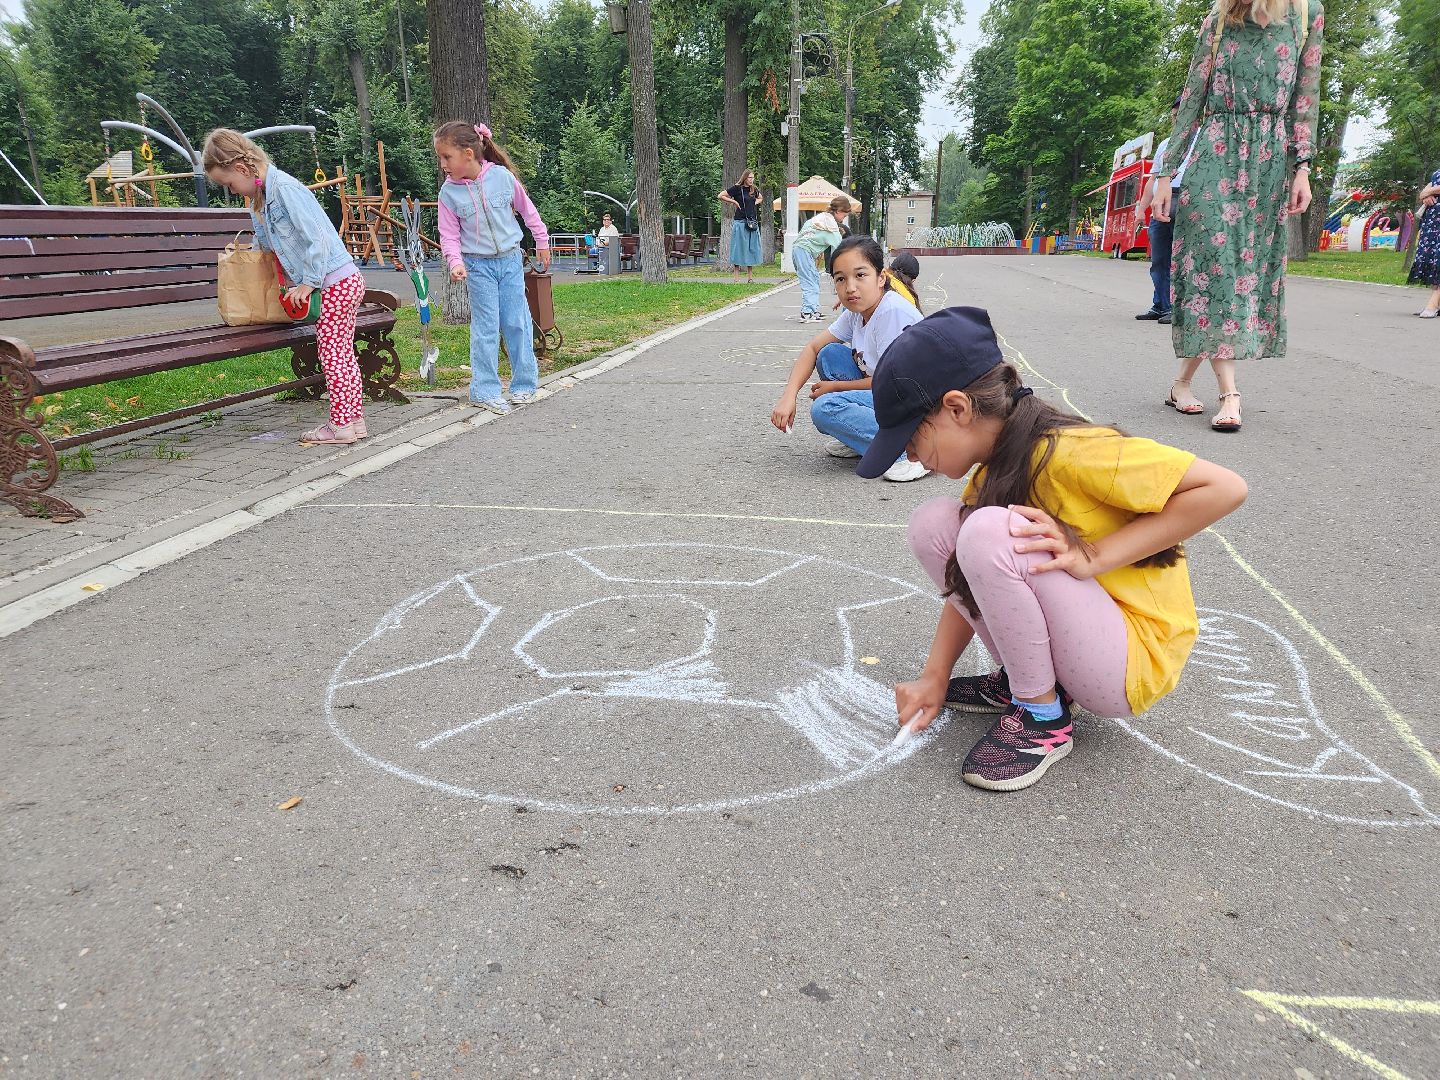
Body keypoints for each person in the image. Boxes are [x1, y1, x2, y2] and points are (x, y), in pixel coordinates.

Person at [855, 307, 1247, 791]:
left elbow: (1225, 488)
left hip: (1129, 660)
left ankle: (1042, 716)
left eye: (911, 438)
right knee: (934, 524)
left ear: (957, 409)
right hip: (1086, 638)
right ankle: (1030, 682)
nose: (910, 455)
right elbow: (969, 579)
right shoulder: (994, 470)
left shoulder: (1073, 449)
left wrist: (1094, 556)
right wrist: (935, 675)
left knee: (984, 532)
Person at [1153, 0, 1324, 433]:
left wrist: (1302, 168)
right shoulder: (1219, 18)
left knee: (1239, 276)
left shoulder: (1306, 15)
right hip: (1215, 154)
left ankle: (1181, 383)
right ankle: (1230, 393)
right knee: (1217, 270)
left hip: (1268, 163)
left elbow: (1306, 99)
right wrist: (1164, 174)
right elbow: (1192, 98)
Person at [202, 128, 367, 447]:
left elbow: (316, 238)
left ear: (242, 168)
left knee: (333, 355)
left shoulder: (286, 190)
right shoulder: (260, 200)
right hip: (341, 280)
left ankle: (340, 426)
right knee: (343, 354)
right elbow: (265, 245)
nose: (231, 190)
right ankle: (354, 421)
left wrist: (308, 282)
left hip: (332, 282)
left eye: (229, 184)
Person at [769, 236, 928, 482]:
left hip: (918, 407)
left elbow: (892, 382)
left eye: (860, 275)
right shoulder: (858, 311)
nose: (850, 287)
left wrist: (835, 387)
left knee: (825, 408)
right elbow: (813, 348)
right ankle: (858, 435)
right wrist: (788, 396)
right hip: (890, 395)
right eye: (840, 279)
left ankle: (910, 452)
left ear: (881, 277)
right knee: (829, 354)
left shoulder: (892, 312)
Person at [434, 121, 551, 415]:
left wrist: (542, 240)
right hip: (477, 265)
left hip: (510, 261)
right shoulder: (448, 194)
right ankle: (484, 390)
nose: (443, 164)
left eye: (447, 157)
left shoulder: (501, 177)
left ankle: (524, 384)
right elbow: (448, 235)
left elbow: (528, 210)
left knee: (516, 322)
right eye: (440, 158)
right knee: (485, 328)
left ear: (468, 154)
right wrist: (455, 262)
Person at [1133, 99, 1198, 326]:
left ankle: (1179, 308)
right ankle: (1161, 305)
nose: (1177, 119)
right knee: (1159, 259)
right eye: (1174, 115)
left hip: (1188, 198)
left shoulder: (1203, 141)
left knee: (1183, 258)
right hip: (1161, 200)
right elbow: (1153, 179)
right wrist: (1141, 210)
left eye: (1181, 114)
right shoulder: (1166, 144)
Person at [792, 196, 851, 322]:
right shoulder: (832, 228)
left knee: (813, 279)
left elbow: (807, 232)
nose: (843, 219)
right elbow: (838, 250)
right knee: (810, 282)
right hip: (805, 251)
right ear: (838, 211)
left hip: (799, 249)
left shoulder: (820, 218)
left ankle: (812, 309)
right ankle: (807, 311)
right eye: (844, 216)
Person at [718, 170, 764, 282]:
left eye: (753, 178)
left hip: (751, 223)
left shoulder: (754, 189)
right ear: (745, 178)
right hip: (740, 222)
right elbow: (721, 195)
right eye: (749, 178)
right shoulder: (737, 188)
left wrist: (753, 203)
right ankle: (736, 279)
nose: (751, 180)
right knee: (738, 248)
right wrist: (734, 202)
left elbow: (760, 198)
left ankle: (750, 278)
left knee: (751, 248)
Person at [1407, 170, 1440, 317]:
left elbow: (1429, 189)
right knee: (1432, 259)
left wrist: (1430, 191)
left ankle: (1433, 305)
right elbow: (1423, 193)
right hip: (1433, 221)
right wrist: (1425, 195)